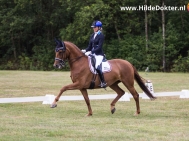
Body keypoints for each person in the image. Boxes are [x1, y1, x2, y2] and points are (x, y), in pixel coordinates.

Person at [81, 20, 107, 88]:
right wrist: (84, 50)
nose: (93, 28)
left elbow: (99, 47)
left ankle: (103, 82)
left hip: (99, 55)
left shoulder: (101, 35)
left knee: (97, 66)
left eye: (95, 27)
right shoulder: (92, 35)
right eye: (93, 27)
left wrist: (92, 52)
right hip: (92, 53)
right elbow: (89, 47)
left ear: (99, 28)